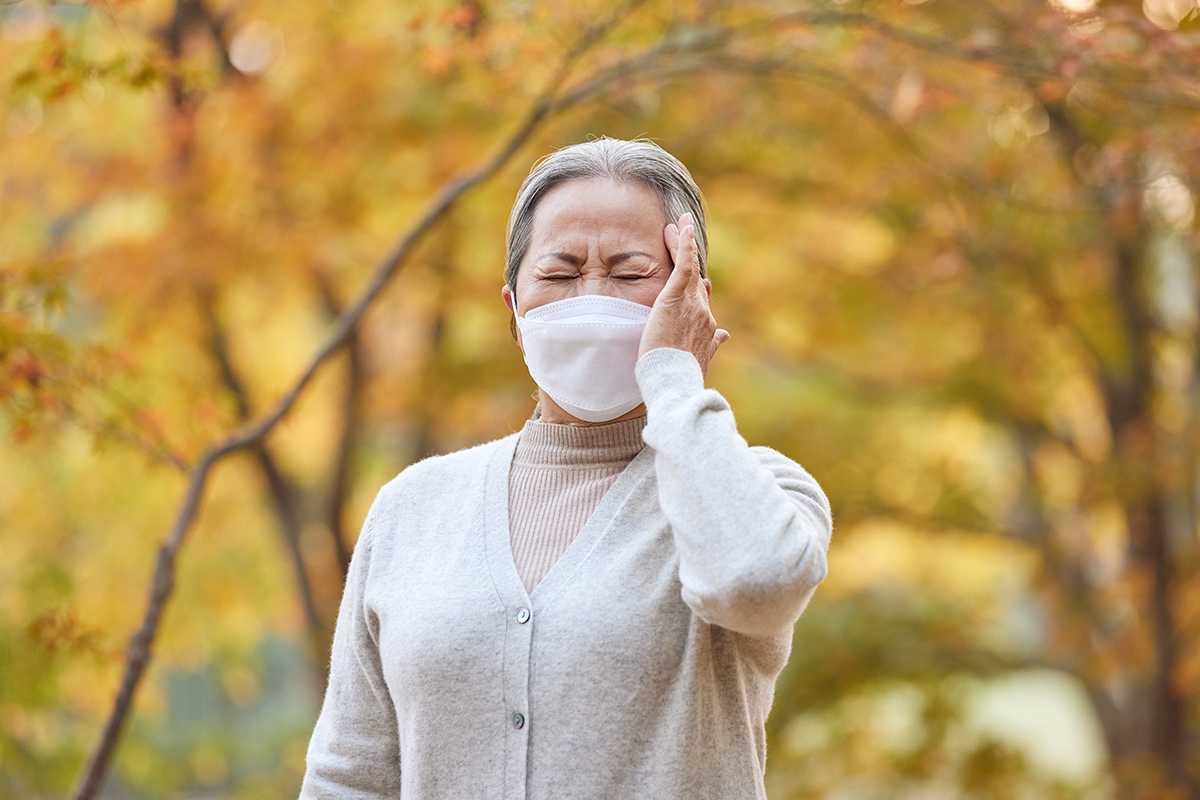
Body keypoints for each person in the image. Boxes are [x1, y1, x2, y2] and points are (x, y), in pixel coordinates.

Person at [299, 138, 832, 799]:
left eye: (631, 272)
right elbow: (349, 777)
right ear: (515, 314)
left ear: (688, 298)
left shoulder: (755, 490)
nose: (592, 294)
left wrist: (673, 373)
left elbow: (756, 581)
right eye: (559, 273)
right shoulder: (414, 508)